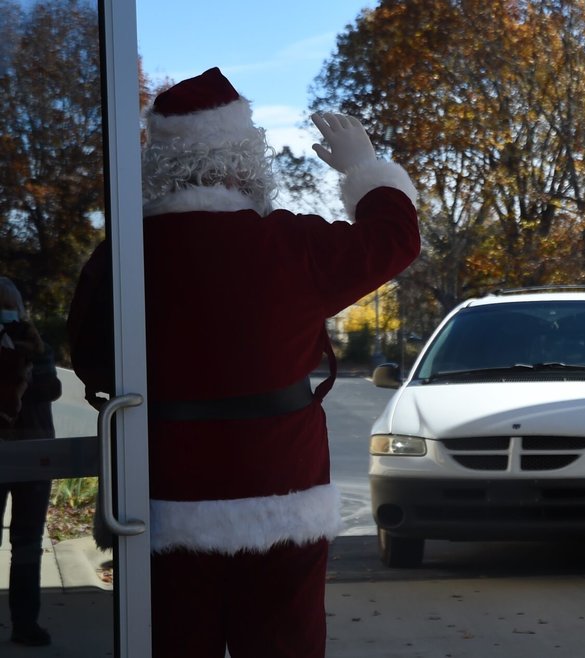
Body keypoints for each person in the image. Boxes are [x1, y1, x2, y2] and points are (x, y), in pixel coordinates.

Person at [67, 67, 420, 658]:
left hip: (162, 492)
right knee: (284, 643)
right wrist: (366, 170)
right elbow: (394, 240)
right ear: (242, 163)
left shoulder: (122, 256)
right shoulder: (289, 244)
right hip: (281, 492)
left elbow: (91, 358)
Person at [0, 276, 62, 647]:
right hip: (9, 451)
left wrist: (29, 355)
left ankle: (26, 623)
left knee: (28, 541)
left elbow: (51, 389)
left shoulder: (40, 346)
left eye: (9, 306)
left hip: (34, 454)